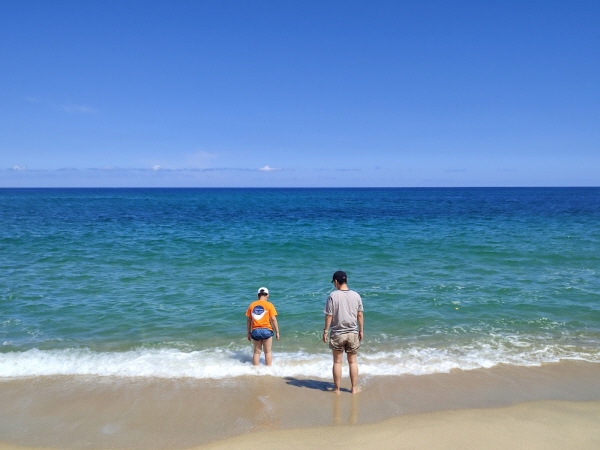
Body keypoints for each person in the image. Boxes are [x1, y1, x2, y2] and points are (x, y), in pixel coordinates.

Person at [322, 271, 364, 394]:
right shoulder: (356, 295)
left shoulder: (333, 296)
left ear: (336, 282)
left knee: (337, 362)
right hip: (352, 333)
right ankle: (354, 388)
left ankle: (337, 389)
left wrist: (325, 331)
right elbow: (360, 315)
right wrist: (361, 330)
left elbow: (329, 316)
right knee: (353, 361)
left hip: (337, 333)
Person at [246, 287, 280, 366]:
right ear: (267, 295)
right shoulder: (269, 305)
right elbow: (273, 319)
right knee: (267, 351)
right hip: (267, 330)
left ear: (258, 295)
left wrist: (248, 332)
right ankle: (268, 370)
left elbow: (249, 320)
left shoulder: (252, 305)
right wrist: (277, 332)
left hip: (255, 330)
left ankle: (256, 370)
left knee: (256, 352)